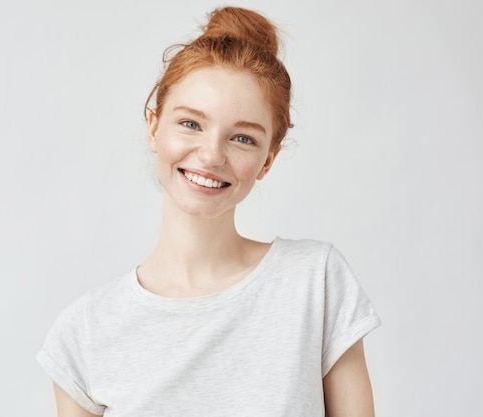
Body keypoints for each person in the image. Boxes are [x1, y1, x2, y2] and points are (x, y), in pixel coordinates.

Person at [37, 6, 380, 417]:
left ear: (267, 161)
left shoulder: (315, 282)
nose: (211, 154)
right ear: (154, 127)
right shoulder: (85, 331)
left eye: (242, 138)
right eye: (191, 124)